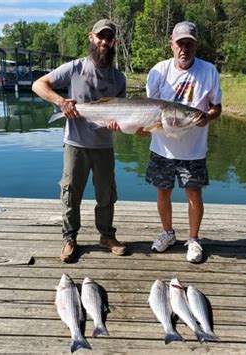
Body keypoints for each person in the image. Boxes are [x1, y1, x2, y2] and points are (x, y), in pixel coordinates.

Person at [32, 19, 127, 262]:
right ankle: (69, 237)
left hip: (104, 146)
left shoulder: (118, 78)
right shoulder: (74, 68)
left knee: (106, 194)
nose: (104, 42)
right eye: (100, 37)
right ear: (91, 38)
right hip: (75, 144)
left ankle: (106, 235)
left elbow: (122, 113)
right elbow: (38, 84)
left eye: (109, 38)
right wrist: (61, 102)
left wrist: (118, 124)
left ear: (114, 41)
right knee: (71, 193)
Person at [145, 21, 222, 263]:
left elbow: (216, 108)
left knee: (194, 194)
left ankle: (194, 239)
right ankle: (168, 233)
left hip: (194, 149)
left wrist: (206, 118)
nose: (184, 49)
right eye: (180, 44)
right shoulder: (158, 71)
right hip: (161, 147)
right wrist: (140, 127)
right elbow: (148, 109)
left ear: (195, 46)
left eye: (189, 44)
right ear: (171, 45)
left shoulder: (209, 71)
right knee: (163, 192)